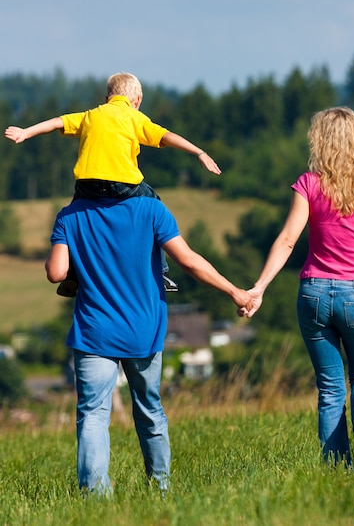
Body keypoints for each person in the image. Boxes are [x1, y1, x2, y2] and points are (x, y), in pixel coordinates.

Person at [241, 106, 354, 467]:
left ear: (320, 142)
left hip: (314, 294)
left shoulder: (309, 183)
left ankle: (339, 469)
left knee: (330, 389)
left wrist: (259, 286)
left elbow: (288, 240)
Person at [45, 193, 252, 496]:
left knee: (92, 414)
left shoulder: (69, 214)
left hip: (95, 331)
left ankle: (95, 497)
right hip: (142, 329)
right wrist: (235, 292)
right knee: (149, 409)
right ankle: (160, 489)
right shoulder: (152, 209)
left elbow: (56, 273)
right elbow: (189, 261)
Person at [5, 72, 221, 295]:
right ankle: (162, 270)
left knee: (75, 214)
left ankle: (71, 274)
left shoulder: (91, 115)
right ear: (136, 101)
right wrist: (199, 152)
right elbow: (166, 136)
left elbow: (57, 121)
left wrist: (26, 132)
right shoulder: (134, 117)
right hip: (123, 185)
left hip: (87, 185)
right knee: (154, 203)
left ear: (108, 96)